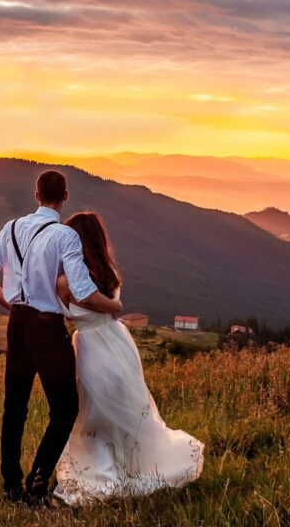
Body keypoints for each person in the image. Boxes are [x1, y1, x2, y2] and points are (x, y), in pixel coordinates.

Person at [0, 170, 123, 505]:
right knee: (65, 409)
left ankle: (11, 484)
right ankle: (37, 485)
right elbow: (83, 292)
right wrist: (115, 305)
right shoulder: (64, 236)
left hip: (18, 325)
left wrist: (11, 305)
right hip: (46, 328)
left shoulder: (10, 228)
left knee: (15, 407)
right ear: (65, 197)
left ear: (36, 195)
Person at [53, 211, 204, 505]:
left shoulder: (64, 281)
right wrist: (115, 305)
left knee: (92, 411)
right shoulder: (107, 272)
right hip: (118, 342)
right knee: (123, 407)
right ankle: (129, 464)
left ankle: (100, 469)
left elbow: (78, 302)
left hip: (90, 347)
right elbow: (110, 306)